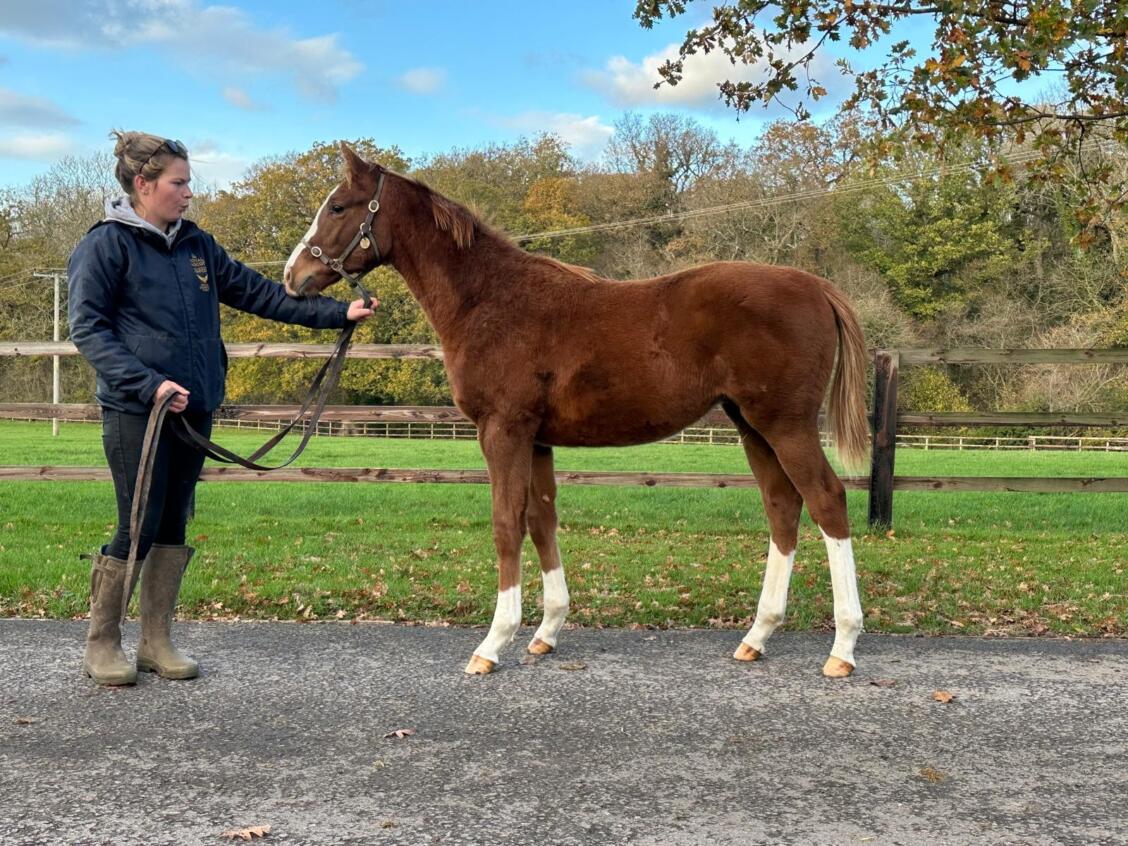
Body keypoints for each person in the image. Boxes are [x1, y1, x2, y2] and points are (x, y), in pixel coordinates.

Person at [67, 131, 374, 686]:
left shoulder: (197, 246)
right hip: (139, 411)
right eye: (178, 184)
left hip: (195, 406)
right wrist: (148, 384)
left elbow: (259, 293)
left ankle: (156, 640)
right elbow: (89, 330)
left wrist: (338, 313)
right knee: (135, 522)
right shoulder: (105, 246)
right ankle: (103, 643)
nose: (188, 194)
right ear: (143, 184)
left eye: (188, 183)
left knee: (174, 519)